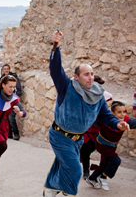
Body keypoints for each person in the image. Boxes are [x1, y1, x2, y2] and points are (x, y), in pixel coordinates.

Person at [43, 31, 129, 197]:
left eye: (91, 74)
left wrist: (118, 123)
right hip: (60, 136)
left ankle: (50, 189)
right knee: (75, 168)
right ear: (76, 77)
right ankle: (68, 194)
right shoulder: (66, 87)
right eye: (86, 74)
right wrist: (56, 46)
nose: (90, 78)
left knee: (64, 164)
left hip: (77, 139)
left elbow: (106, 115)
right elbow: (55, 69)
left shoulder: (98, 93)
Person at [87, 101, 136, 191]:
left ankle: (92, 178)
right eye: (119, 112)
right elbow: (91, 120)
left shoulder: (126, 120)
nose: (122, 114)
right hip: (101, 145)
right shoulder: (105, 119)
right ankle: (103, 178)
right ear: (112, 113)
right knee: (115, 161)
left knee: (105, 164)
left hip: (112, 147)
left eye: (124, 111)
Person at [80, 76, 113, 180]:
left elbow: (106, 114)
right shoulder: (83, 95)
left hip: (99, 130)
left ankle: (101, 173)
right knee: (85, 151)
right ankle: (86, 171)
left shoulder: (102, 97)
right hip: (86, 130)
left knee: (103, 151)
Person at [0, 64, 22, 140]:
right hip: (4, 101)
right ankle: (9, 134)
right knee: (6, 118)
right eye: (4, 69)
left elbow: (18, 89)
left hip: (12, 100)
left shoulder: (13, 77)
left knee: (11, 117)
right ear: (3, 70)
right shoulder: (1, 79)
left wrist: (15, 98)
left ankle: (16, 134)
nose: (6, 70)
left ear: (9, 69)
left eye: (7, 69)